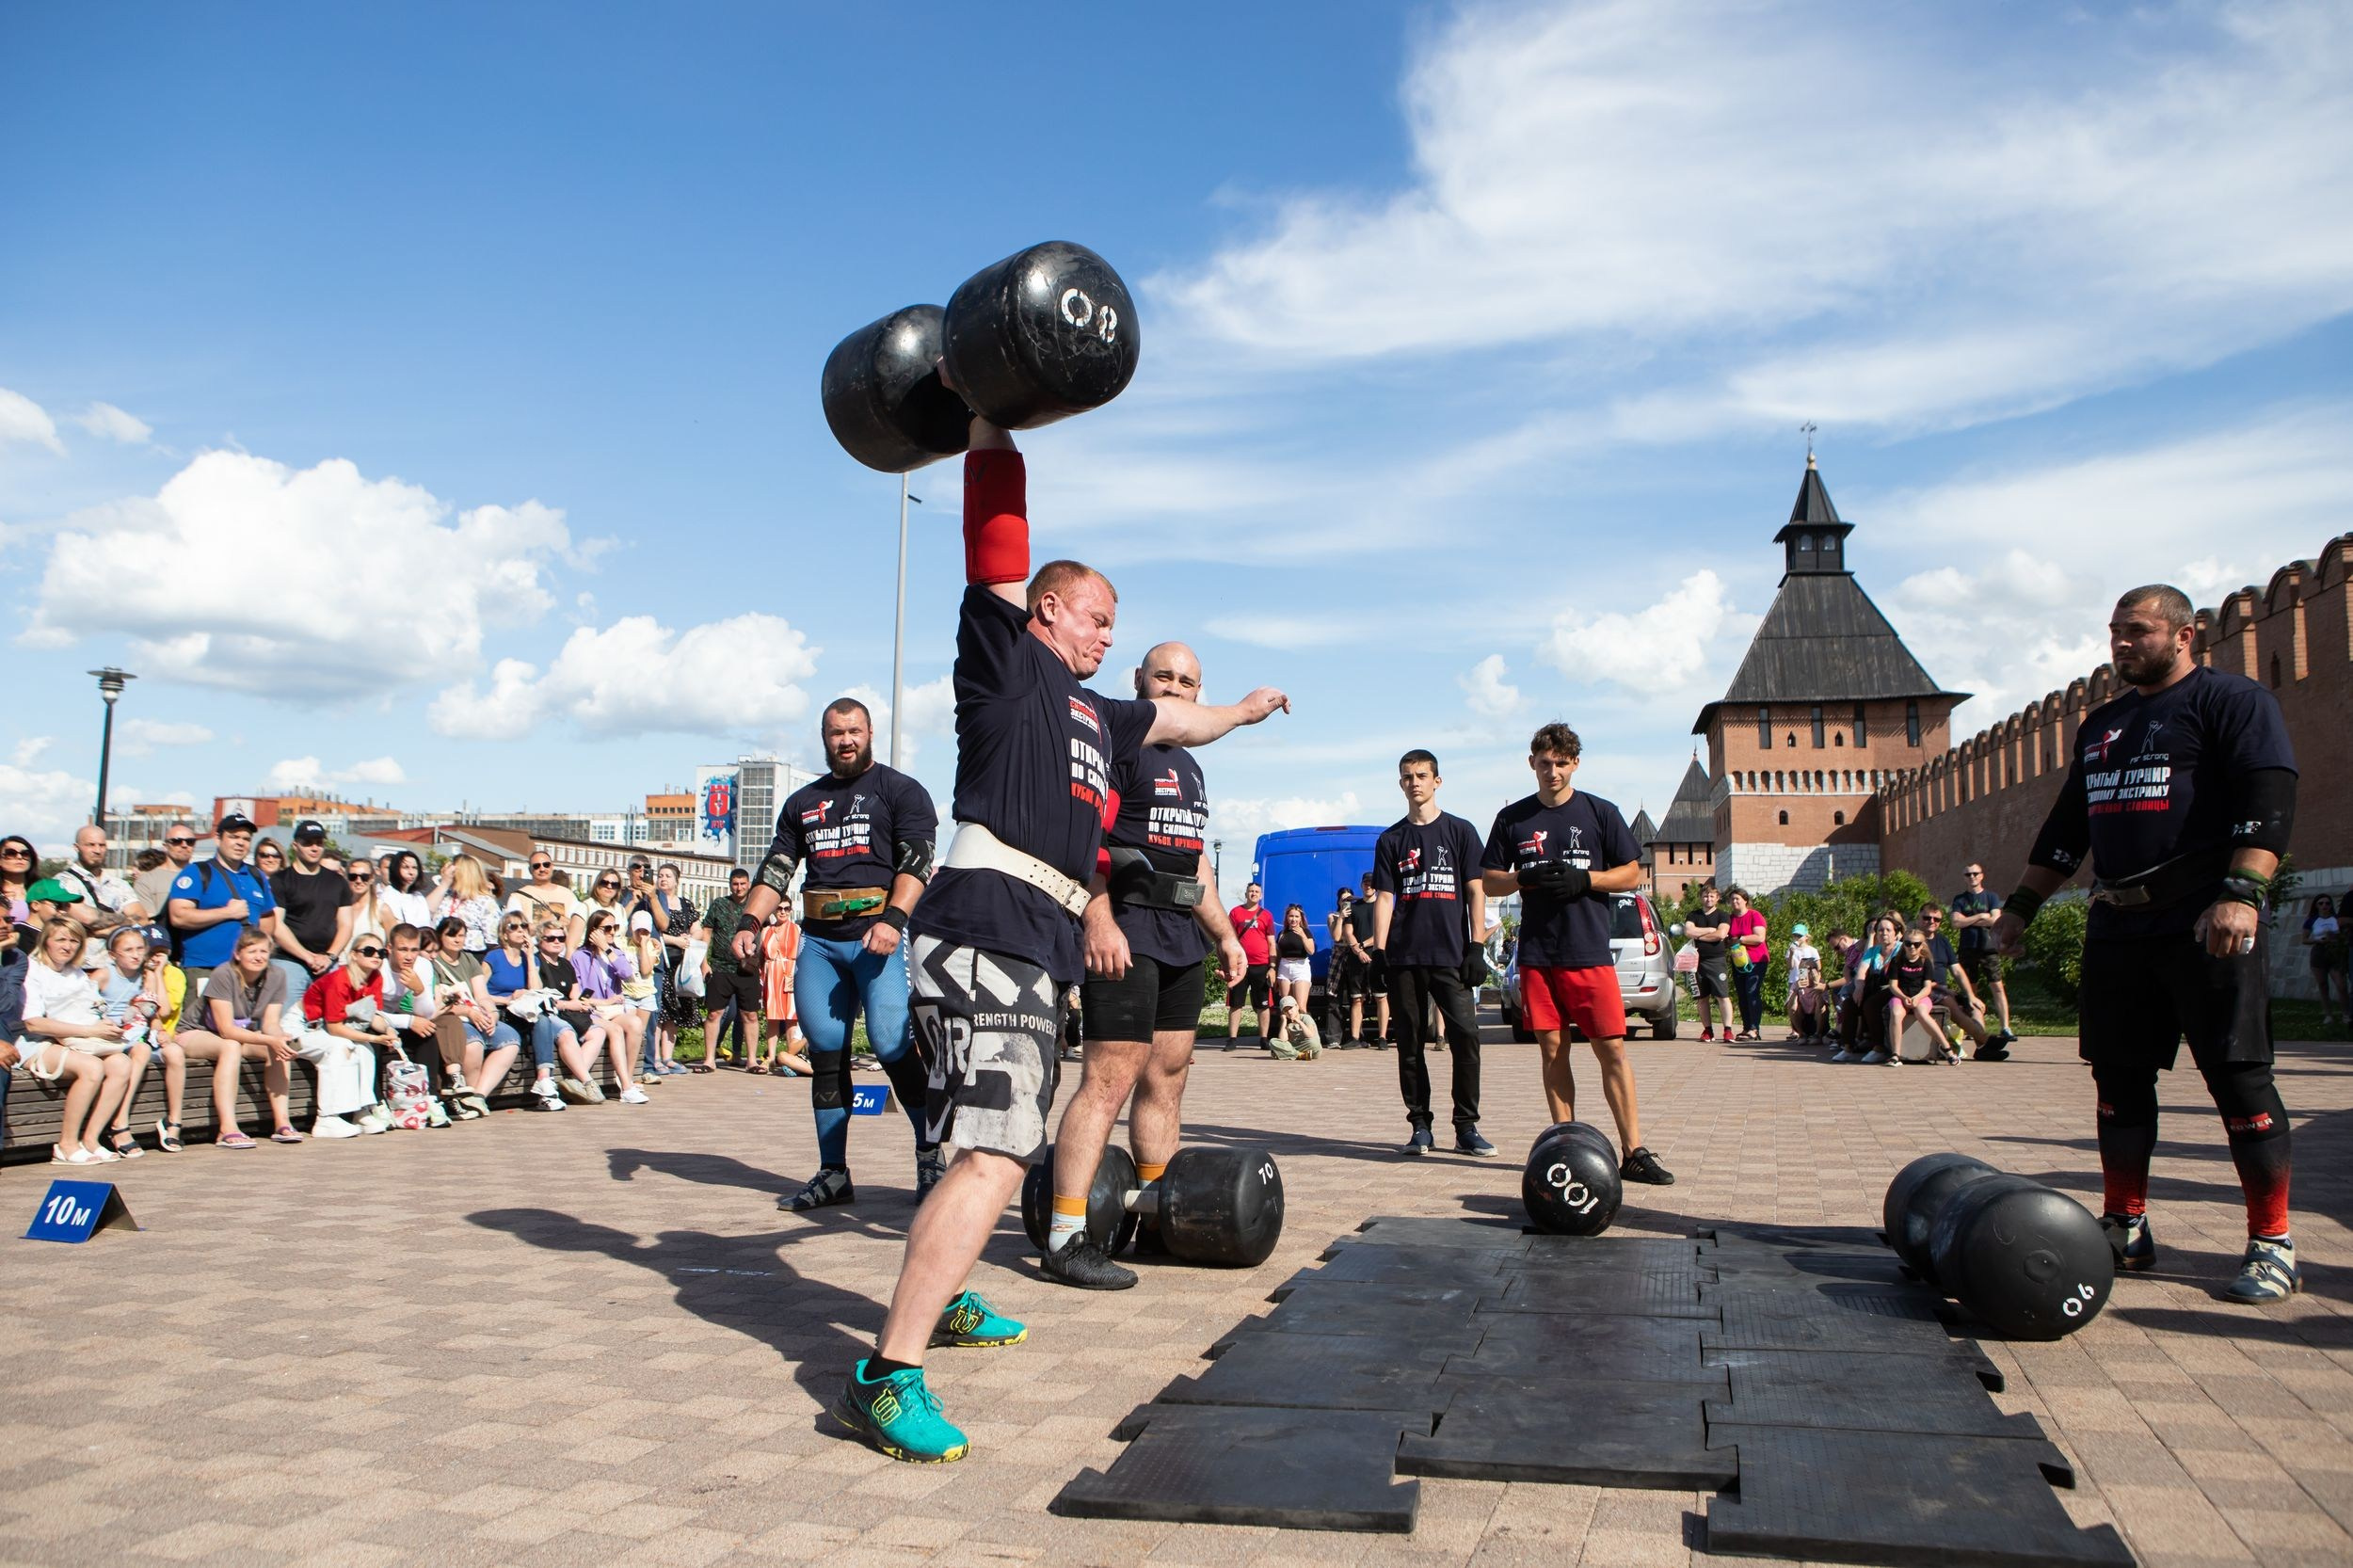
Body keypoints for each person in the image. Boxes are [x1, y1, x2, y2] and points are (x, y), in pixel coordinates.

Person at [828, 398, 1287, 1465]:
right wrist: (991, 423)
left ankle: (941, 1300)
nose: (1109, 636)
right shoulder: (1007, 665)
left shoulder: (1103, 715)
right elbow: (994, 539)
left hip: (1024, 940)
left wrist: (1249, 711)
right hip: (983, 925)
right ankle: (885, 1375)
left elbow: (1184, 719)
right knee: (997, 1148)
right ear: (1044, 612)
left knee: (963, 1143)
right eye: (1095, 616)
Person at [1994, 583, 2301, 1304]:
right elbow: (2070, 827)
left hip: (2203, 919)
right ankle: (2125, 1226)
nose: (2121, 644)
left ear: (2186, 634)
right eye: (2114, 632)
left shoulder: (2231, 703)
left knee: (2239, 1079)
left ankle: (2272, 1241)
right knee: (2119, 1079)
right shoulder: (2102, 725)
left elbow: (2269, 798)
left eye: (2137, 631)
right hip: (2120, 923)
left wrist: (2241, 894)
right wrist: (2019, 911)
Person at [1043, 640, 1246, 1290]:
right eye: (1165, 676)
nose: (1176, 688)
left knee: (1169, 1076)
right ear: (1139, 680)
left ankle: (1159, 1217)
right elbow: (1086, 843)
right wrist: (1096, 920)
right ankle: (1066, 1234)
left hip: (1181, 936)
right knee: (1108, 1080)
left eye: (1188, 681)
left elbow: (1195, 861)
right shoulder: (1116, 747)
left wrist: (1226, 936)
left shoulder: (1191, 765)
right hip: (1124, 930)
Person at [729, 698, 939, 1199]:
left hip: (878, 940)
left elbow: (918, 863)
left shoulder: (901, 791)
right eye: (835, 733)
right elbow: (777, 870)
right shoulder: (803, 802)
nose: (845, 740)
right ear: (823, 738)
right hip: (820, 945)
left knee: (891, 1046)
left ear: (870, 733)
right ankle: (833, 1173)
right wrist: (749, 921)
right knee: (826, 1056)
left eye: (854, 731)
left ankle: (931, 1158)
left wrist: (893, 919)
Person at [1480, 722, 1673, 1184]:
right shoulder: (1514, 819)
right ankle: (1565, 1142)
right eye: (1545, 763)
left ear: (1575, 764)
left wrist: (1586, 880)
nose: (1553, 772)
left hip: (1589, 953)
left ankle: (1634, 1150)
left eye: (1562, 763)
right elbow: (1489, 880)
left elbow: (1631, 873)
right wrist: (1523, 879)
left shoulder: (1600, 812)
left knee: (1612, 1050)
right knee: (1552, 1050)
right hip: (1538, 956)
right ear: (1532, 763)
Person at [1371, 748, 1495, 1158]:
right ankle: (1420, 1125)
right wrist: (1380, 952)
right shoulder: (1391, 839)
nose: (1415, 782)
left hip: (1451, 955)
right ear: (1400, 783)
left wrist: (1477, 945)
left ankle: (1467, 1127)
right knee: (1410, 1043)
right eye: (1407, 776)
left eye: (1422, 775)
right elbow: (1386, 898)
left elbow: (1476, 890)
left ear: (1437, 781)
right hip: (1405, 957)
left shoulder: (1460, 832)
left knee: (1466, 1037)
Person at [17, 919, 141, 1165]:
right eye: (61, 939)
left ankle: (92, 1139)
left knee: (121, 1064)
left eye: (74, 940)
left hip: (76, 1039)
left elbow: (94, 1009)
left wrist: (106, 1027)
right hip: (34, 1042)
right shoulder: (32, 970)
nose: (68, 946)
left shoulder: (76, 973)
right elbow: (33, 1023)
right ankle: (66, 1145)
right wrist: (88, 1030)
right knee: (92, 1068)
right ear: (46, 941)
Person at [483, 910, 587, 1111]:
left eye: (523, 926)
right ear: (504, 933)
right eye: (513, 927)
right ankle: (546, 1086)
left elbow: (537, 990)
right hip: (500, 1009)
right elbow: (479, 991)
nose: (520, 930)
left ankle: (544, 1079)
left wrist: (530, 956)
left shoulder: (530, 958)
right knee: (541, 1020)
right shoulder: (494, 957)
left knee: (543, 1020)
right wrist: (506, 999)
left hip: (524, 1012)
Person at [163, 813, 281, 988]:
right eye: (233, 837)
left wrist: (259, 952)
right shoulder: (197, 872)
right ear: (218, 839)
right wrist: (227, 913)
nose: (240, 843)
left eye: (246, 839)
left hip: (246, 970)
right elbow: (179, 916)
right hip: (206, 968)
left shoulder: (257, 876)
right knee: (202, 1016)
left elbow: (267, 918)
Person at [296, 935, 397, 1137]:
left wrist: (388, 1029)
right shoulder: (339, 980)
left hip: (324, 1029)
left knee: (363, 1048)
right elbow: (335, 1028)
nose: (376, 956)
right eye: (369, 951)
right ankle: (326, 1118)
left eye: (382, 953)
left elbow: (372, 1017)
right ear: (353, 955)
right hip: (300, 1029)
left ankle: (362, 1110)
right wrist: (376, 1038)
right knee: (341, 1046)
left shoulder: (375, 978)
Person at [376, 921, 477, 1120]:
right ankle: (378, 1103)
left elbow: (425, 1014)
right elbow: (370, 1013)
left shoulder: (422, 965)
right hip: (374, 1022)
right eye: (403, 950)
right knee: (373, 1038)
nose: (409, 956)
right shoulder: (380, 967)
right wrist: (409, 1021)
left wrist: (419, 990)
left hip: (401, 1020)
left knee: (428, 1031)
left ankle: (430, 1099)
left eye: (414, 950)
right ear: (390, 949)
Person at [429, 916, 523, 1114]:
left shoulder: (469, 959)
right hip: (453, 1016)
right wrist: (469, 1012)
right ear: (440, 936)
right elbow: (437, 1005)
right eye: (451, 935)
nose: (457, 940)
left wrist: (492, 1014)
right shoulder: (434, 962)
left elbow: (482, 994)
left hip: (476, 1012)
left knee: (511, 1039)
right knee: (473, 1044)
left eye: (461, 936)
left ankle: (479, 1096)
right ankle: (467, 1096)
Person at [266, 820, 354, 1024]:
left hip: (328, 962)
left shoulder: (337, 882)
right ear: (295, 845)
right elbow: (277, 925)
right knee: (286, 1023)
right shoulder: (280, 880)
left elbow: (346, 925)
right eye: (308, 842)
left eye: (319, 842)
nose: (314, 847)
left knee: (330, 1023)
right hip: (289, 960)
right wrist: (307, 956)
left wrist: (330, 956)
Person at [90, 924, 165, 1156]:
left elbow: (155, 1009)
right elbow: (87, 1004)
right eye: (128, 950)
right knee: (138, 1051)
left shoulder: (146, 975)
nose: (135, 954)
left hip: (133, 1035)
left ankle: (120, 1120)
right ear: (113, 955)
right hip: (105, 1033)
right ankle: (119, 1126)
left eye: (140, 949)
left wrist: (157, 973)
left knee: (144, 1050)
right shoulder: (104, 974)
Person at [567, 910, 650, 1103]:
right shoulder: (581, 956)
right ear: (594, 931)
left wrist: (606, 948)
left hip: (612, 1011)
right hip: (591, 1011)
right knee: (614, 1030)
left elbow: (627, 973)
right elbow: (579, 995)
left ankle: (626, 1080)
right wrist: (603, 1002)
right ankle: (627, 1088)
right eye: (607, 928)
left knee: (636, 1024)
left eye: (615, 927)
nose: (612, 932)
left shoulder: (615, 952)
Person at [696, 866, 757, 1069]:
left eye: (742, 884)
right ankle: (709, 1060)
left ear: (748, 884)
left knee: (750, 1014)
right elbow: (706, 933)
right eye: (735, 884)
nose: (739, 888)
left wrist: (760, 959)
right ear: (730, 885)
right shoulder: (719, 904)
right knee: (714, 1013)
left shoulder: (754, 907)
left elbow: (766, 931)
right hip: (720, 967)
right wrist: (704, 963)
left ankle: (752, 1061)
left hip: (747, 968)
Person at [1947, 862, 2014, 1044]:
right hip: (1967, 948)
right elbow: (1955, 923)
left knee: (1997, 987)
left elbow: (1995, 921)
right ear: (1964, 878)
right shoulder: (1960, 899)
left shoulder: (1991, 897)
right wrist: (1980, 917)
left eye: (1975, 874)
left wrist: (1968, 920)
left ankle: (2005, 1027)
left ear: (1982, 875)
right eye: (1968, 875)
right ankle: (1978, 1028)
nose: (1972, 877)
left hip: (1989, 947)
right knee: (1971, 990)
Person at [1883, 926, 1959, 1066]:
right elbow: (1893, 985)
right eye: (1908, 943)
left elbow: (1927, 987)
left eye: (1916, 944)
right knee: (1896, 1013)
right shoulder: (1896, 961)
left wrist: (1917, 998)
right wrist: (1904, 997)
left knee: (1922, 1014)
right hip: (1901, 996)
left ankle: (1947, 1049)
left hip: (1920, 996)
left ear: (1922, 945)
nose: (1912, 947)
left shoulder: (1925, 962)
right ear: (1903, 944)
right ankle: (1895, 1054)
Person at [648, 864, 697, 1074]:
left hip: (682, 964)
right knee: (659, 1011)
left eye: (668, 876)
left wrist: (690, 938)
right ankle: (655, 1057)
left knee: (674, 1011)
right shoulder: (653, 902)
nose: (663, 879)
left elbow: (697, 928)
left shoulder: (685, 904)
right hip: (660, 960)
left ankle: (668, 1056)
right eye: (660, 876)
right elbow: (652, 931)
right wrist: (676, 940)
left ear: (677, 880)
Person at [57, 824, 144, 933]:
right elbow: (87, 918)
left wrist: (99, 932)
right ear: (76, 847)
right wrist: (126, 921)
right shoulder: (63, 882)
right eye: (91, 845)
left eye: (102, 845)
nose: (97, 850)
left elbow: (141, 918)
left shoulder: (119, 884)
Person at [1224, 882, 1274, 1048]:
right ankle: (1232, 1039)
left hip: (1261, 965)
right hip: (1240, 966)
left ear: (1261, 895)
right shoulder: (1235, 913)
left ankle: (1264, 1039)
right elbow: (1229, 938)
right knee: (1236, 1003)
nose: (1253, 894)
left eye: (1256, 891)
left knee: (1263, 1004)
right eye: (1251, 891)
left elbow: (1271, 942)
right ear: (1246, 894)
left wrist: (1272, 966)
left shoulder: (1266, 915)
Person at [1683, 884, 1734, 1041]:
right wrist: (1710, 930)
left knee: (1722, 995)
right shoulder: (1693, 915)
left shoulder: (1723, 915)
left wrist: (1699, 935)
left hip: (1716, 960)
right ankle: (1707, 1030)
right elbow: (1688, 931)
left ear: (1717, 898)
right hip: (1696, 961)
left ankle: (1728, 1030)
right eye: (1705, 896)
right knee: (1702, 997)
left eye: (1712, 896)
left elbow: (1721, 934)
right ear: (1701, 898)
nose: (1708, 899)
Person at [505, 849, 584, 946]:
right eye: (536, 866)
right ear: (530, 870)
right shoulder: (518, 896)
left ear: (552, 867)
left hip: (562, 954)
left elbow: (579, 928)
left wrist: (568, 924)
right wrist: (544, 922)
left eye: (546, 864)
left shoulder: (568, 895)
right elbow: (513, 931)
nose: (542, 869)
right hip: (531, 953)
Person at [433, 854, 504, 953]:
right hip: (441, 951)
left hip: (472, 955)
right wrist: (444, 883)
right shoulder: (446, 896)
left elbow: (492, 942)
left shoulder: (485, 903)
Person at [1723, 888, 1769, 1040]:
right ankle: (1746, 1027)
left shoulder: (1754, 915)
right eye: (1732, 899)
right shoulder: (1729, 918)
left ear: (1745, 900)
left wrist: (1740, 939)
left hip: (1756, 960)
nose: (1735, 902)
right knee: (1742, 994)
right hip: (1738, 960)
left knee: (1752, 992)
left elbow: (1759, 937)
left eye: (1737, 899)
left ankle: (1755, 1028)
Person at [135, 821, 200, 916]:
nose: (184, 845)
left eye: (190, 842)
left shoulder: (204, 876)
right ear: (165, 846)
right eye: (176, 841)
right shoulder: (147, 881)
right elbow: (147, 921)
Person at [2303, 894, 2345, 1031]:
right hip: (2319, 952)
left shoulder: (2336, 919)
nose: (2324, 906)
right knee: (2322, 985)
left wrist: (2335, 937)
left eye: (2327, 903)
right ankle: (2328, 1014)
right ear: (2316, 905)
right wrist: (2317, 940)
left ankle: (2346, 1013)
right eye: (2321, 903)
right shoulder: (2312, 920)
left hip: (2334, 952)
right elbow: (2304, 939)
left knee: (2340, 984)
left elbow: (2344, 934)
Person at [1272, 903, 1316, 1024]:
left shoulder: (1306, 932)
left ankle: (1305, 1033)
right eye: (1291, 916)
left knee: (1301, 1007)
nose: (1293, 919)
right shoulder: (1282, 933)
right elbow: (1278, 954)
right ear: (1287, 917)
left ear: (1301, 918)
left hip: (1300, 967)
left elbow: (1311, 950)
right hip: (1284, 968)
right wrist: (1275, 972)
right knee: (1286, 1007)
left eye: (1296, 916)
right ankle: (1288, 1035)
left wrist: (1302, 935)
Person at [1783, 922, 1820, 1038]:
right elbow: (1790, 967)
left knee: (1807, 1004)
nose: (1797, 938)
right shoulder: (1791, 949)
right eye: (1795, 935)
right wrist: (1792, 953)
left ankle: (1811, 1028)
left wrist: (1810, 965)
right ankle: (1795, 1029)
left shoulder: (1812, 950)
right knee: (1792, 1004)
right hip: (1794, 980)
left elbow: (1819, 966)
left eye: (1800, 936)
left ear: (1806, 936)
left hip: (1808, 980)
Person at [380, 851, 435, 931]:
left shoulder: (418, 897)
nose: (411, 872)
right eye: (405, 867)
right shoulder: (388, 895)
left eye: (414, 868)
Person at [1269, 993, 1322, 1060]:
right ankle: (1300, 1055)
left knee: (1314, 1043)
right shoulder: (1286, 1022)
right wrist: (1284, 1022)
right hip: (1294, 1047)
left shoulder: (1306, 1017)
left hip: (1309, 1047)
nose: (1289, 1012)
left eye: (1291, 1008)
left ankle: (1286, 1054)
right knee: (1273, 1042)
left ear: (1297, 1006)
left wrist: (1299, 1022)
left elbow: (1310, 1035)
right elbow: (1283, 1040)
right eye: (1285, 1010)